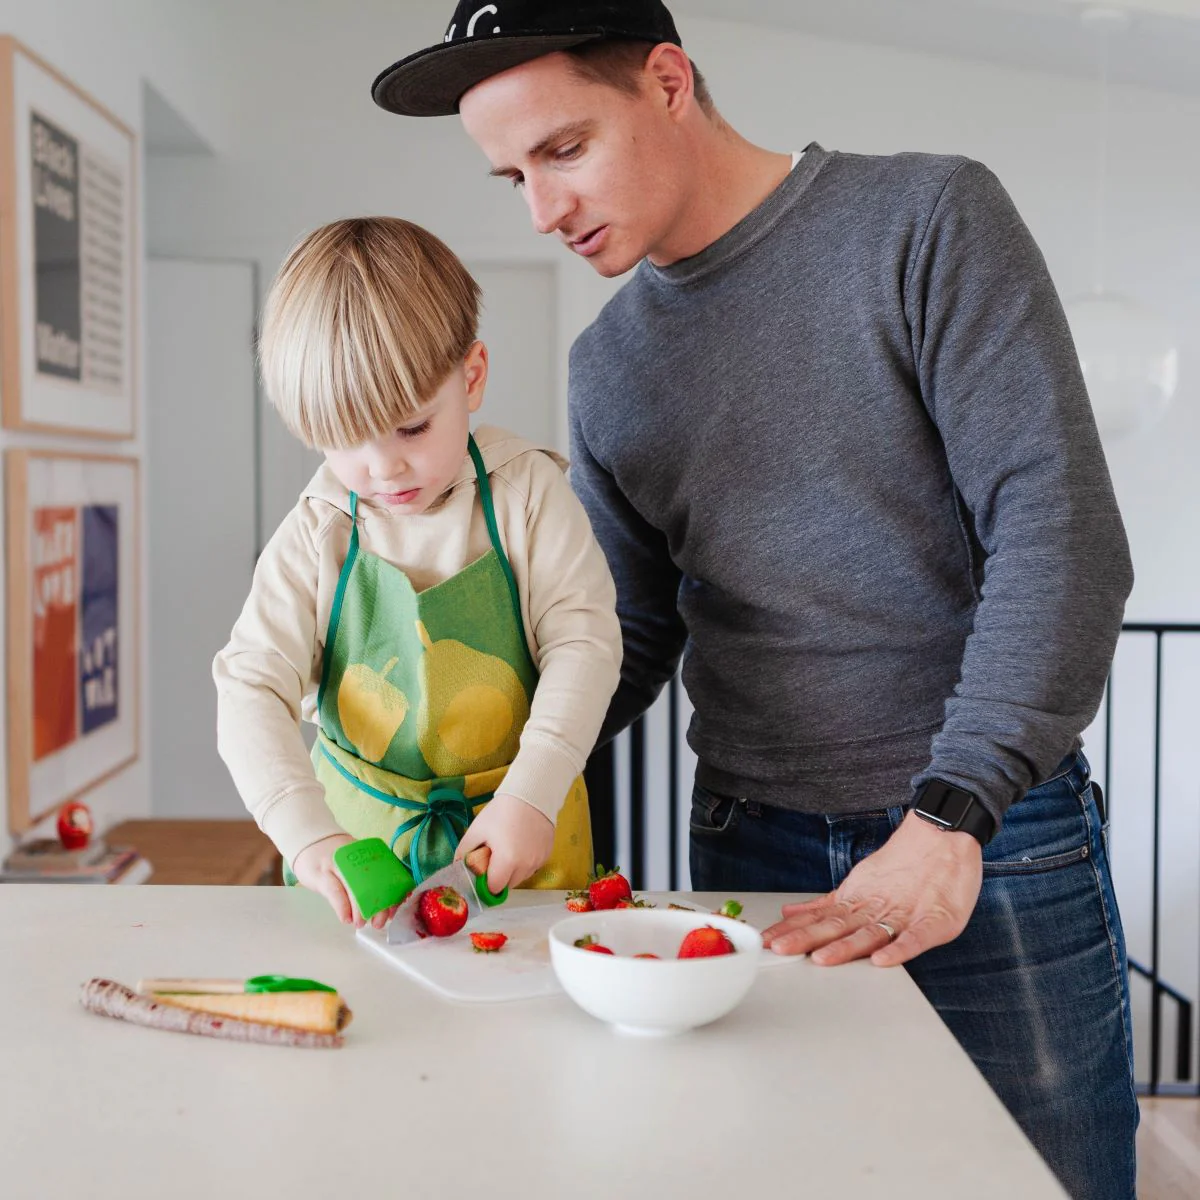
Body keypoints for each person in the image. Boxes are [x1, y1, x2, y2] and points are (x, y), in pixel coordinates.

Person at [371, 3, 1140, 1197]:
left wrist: (948, 821)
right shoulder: (609, 365)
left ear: (668, 82)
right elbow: (624, 634)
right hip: (749, 843)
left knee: (1049, 1181)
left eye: (564, 150)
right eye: (511, 174)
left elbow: (1062, 537)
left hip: (987, 836)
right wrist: (447, 783)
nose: (541, 209)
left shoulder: (925, 219)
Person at [213, 216, 621, 928]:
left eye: (411, 427)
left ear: (471, 376)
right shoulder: (317, 532)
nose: (383, 467)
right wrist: (305, 833)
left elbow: (584, 646)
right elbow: (249, 685)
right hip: (359, 850)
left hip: (521, 838)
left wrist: (533, 790)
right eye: (344, 440)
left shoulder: (528, 496)